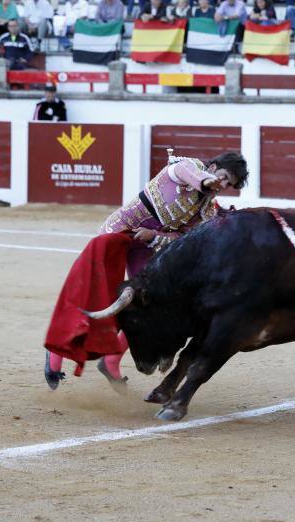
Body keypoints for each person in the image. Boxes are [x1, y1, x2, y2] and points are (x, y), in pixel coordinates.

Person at [44, 151, 249, 392]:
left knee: (148, 303)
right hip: (118, 233)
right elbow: (190, 174)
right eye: (223, 177)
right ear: (212, 167)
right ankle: (55, 356)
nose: (222, 185)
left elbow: (182, 236)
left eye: (228, 185)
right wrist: (205, 181)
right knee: (98, 295)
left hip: (145, 243)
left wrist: (155, 236)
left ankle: (111, 361)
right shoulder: (186, 167)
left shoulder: (206, 208)